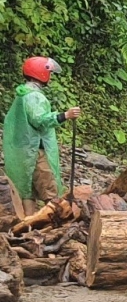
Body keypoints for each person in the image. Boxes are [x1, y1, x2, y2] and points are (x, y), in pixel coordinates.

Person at [3, 57, 80, 218]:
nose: (50, 77)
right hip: (35, 150)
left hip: (24, 149)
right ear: (41, 73)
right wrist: (65, 115)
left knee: (27, 188)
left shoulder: (22, 93)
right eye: (49, 73)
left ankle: (27, 222)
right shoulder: (34, 97)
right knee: (49, 188)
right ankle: (56, 220)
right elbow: (40, 120)